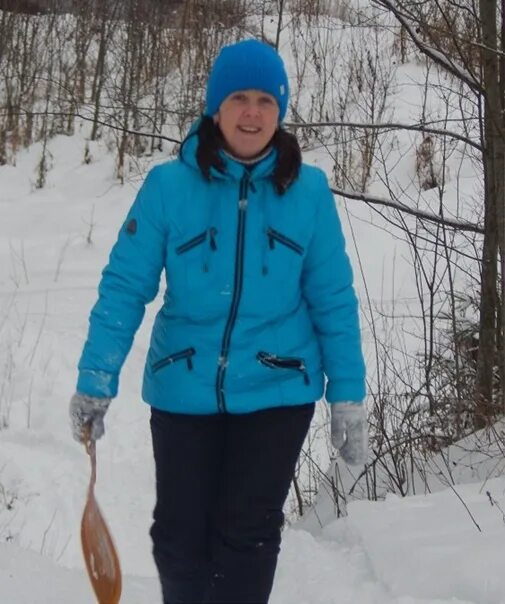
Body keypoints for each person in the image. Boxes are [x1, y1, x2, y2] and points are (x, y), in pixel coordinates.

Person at [69, 39, 367, 604]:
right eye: (238, 98)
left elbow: (333, 298)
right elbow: (125, 288)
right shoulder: (169, 187)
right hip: (183, 386)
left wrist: (348, 395)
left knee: (247, 535)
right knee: (178, 541)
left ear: (279, 111)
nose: (251, 113)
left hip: (279, 387)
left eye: (264, 100)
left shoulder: (309, 193)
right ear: (215, 107)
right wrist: (95, 379)